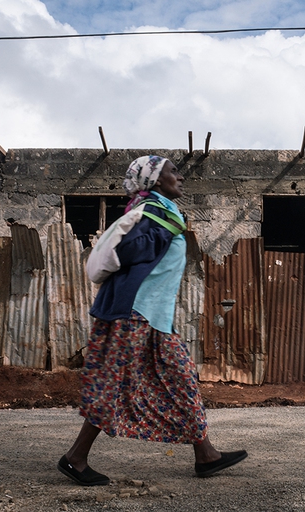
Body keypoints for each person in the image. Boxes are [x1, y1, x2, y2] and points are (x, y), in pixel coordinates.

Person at [58, 155, 247, 486]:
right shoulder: (155, 214)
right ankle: (75, 458)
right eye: (173, 171)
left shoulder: (161, 212)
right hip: (132, 316)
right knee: (113, 385)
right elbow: (129, 251)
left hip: (153, 318)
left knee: (181, 379)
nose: (181, 176)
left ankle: (206, 455)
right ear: (157, 181)